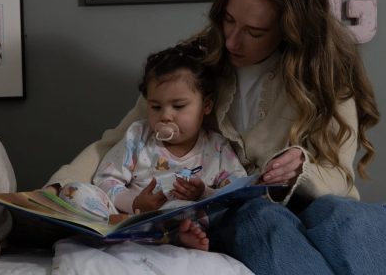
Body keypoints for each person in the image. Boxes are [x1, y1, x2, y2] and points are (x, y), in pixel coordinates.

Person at [47, 0, 386, 275]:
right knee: (263, 220)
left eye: (254, 32)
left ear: (293, 30)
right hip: (239, 214)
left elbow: (339, 177)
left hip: (318, 204)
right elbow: (121, 139)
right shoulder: (195, 65)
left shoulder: (327, 75)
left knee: (351, 217)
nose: (233, 40)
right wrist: (54, 194)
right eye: (228, 20)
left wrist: (299, 168)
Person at [57, 43, 247, 250]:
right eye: (156, 107)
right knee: (73, 191)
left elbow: (238, 188)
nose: (165, 116)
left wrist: (203, 193)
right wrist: (135, 203)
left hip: (175, 216)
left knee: (181, 210)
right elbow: (106, 179)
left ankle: (172, 235)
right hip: (125, 215)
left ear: (206, 106)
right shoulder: (139, 136)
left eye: (178, 106)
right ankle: (121, 232)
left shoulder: (216, 147)